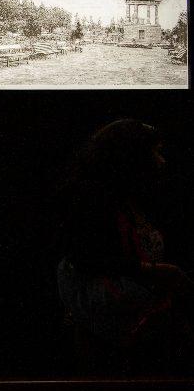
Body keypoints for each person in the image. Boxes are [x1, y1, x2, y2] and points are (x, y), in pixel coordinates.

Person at [56, 119, 193, 374]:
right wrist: (155, 271)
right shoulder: (92, 205)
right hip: (109, 331)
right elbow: (91, 258)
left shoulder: (139, 202)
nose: (162, 161)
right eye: (154, 153)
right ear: (131, 159)